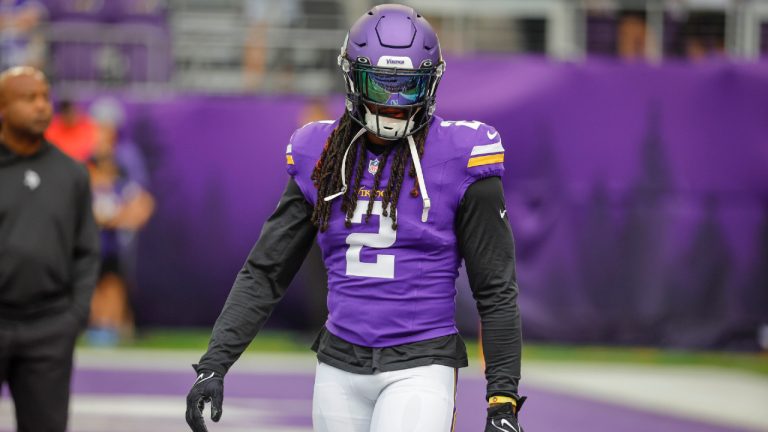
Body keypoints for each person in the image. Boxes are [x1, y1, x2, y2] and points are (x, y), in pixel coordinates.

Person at [185, 4, 525, 432]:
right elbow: (266, 271)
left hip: (420, 364)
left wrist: (502, 399)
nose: (395, 103)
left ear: (432, 83)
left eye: (408, 87)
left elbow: (495, 288)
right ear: (352, 77)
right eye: (381, 86)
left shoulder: (462, 156)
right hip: (339, 365)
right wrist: (214, 363)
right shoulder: (321, 152)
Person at [0, 66, 99, 431]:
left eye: (45, 97)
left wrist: (74, 315)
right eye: (29, 98)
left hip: (49, 326)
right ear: (3, 107)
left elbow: (87, 250)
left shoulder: (71, 173)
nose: (42, 106)